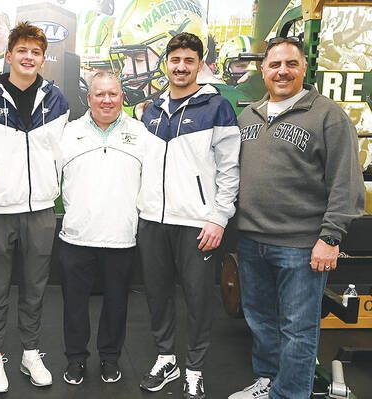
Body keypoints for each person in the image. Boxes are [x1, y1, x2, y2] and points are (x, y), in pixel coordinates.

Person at [229, 36, 365, 399]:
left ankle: (290, 395)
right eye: (275, 65)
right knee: (261, 322)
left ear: (304, 68)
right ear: (263, 70)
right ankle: (268, 382)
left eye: (291, 64)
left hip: (302, 245)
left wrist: (331, 237)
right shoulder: (248, 116)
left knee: (298, 329)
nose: (282, 71)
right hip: (252, 241)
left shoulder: (327, 115)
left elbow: (346, 183)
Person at [0, 21, 70, 393]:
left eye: (36, 52)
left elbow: (60, 154)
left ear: (43, 58)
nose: (28, 57)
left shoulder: (57, 101)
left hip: (41, 210)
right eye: (22, 50)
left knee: (35, 288)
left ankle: (30, 351)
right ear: (9, 55)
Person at [136, 32, 241, 398]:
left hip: (197, 224)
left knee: (197, 299)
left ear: (200, 64)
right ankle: (167, 358)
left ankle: (194, 368)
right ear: (167, 63)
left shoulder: (218, 107)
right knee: (157, 295)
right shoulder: (151, 109)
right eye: (175, 60)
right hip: (152, 221)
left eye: (188, 61)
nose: (181, 67)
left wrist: (218, 218)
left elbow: (230, 170)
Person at [59, 72, 157, 385]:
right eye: (99, 94)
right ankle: (75, 359)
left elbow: (151, 182)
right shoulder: (68, 133)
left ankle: (110, 358)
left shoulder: (141, 134)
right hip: (76, 235)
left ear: (122, 97)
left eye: (113, 94)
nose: (107, 100)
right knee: (74, 305)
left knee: (116, 303)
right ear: (89, 99)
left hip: (121, 236)